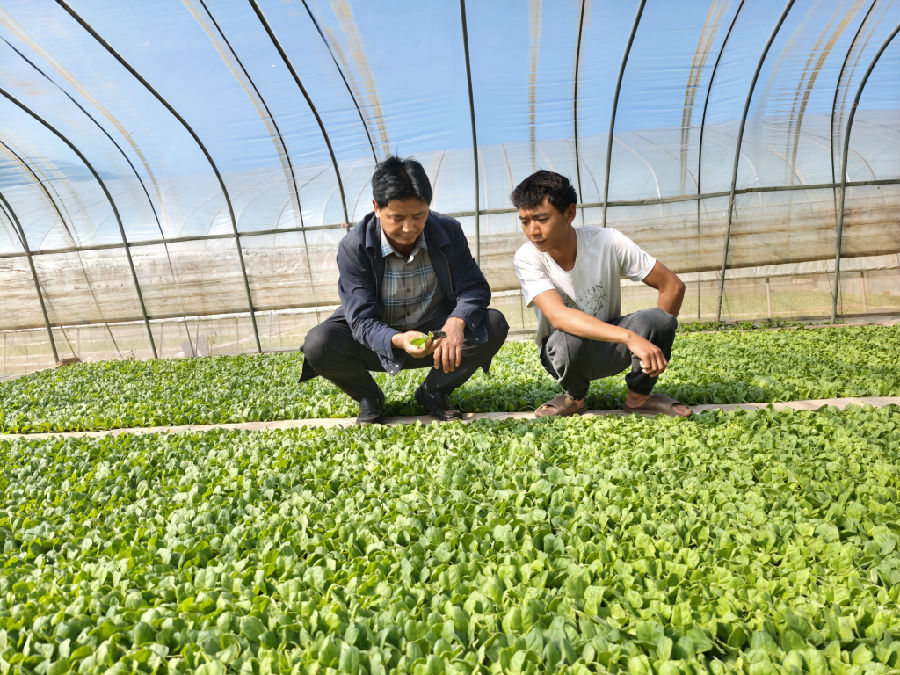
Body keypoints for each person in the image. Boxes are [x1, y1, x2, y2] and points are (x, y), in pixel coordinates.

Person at [299, 156, 508, 424]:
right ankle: (369, 397)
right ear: (376, 207)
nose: (409, 228)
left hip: (437, 333)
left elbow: (474, 286)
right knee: (318, 344)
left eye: (419, 216)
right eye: (397, 218)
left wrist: (456, 322)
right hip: (380, 336)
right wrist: (397, 339)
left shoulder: (448, 231)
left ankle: (435, 391)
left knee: (493, 323)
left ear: (428, 208)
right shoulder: (354, 247)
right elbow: (361, 320)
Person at [511, 170, 691, 418]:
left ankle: (639, 397)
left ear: (570, 213)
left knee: (659, 320)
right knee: (567, 339)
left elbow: (672, 286)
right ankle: (575, 398)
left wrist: (655, 344)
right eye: (525, 221)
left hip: (612, 345)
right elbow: (560, 317)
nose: (533, 231)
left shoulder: (608, 241)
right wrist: (630, 337)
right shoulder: (527, 256)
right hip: (563, 352)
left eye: (541, 219)